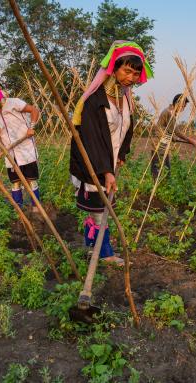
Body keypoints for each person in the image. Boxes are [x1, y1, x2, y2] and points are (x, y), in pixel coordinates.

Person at [70, 40, 153, 265]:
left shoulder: (125, 99)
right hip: (93, 163)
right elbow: (92, 140)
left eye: (136, 73)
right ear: (114, 69)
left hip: (110, 163)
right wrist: (106, 170)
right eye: (127, 71)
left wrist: (121, 156)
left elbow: (127, 130)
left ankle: (92, 248)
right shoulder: (95, 101)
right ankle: (104, 254)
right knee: (100, 209)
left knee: (99, 208)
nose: (131, 77)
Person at [0, 76, 41, 212]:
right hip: (9, 152)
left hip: (25, 148)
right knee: (15, 182)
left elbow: (34, 110)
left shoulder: (14, 103)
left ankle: (36, 208)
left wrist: (32, 126)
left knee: (31, 180)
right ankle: (18, 210)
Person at [150, 94, 196, 180]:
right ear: (178, 103)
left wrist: (173, 138)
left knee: (163, 169)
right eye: (183, 106)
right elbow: (176, 132)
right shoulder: (169, 112)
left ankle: (160, 188)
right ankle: (158, 190)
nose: (183, 108)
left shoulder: (170, 112)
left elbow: (169, 131)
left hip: (163, 144)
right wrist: (191, 140)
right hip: (159, 145)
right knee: (160, 170)